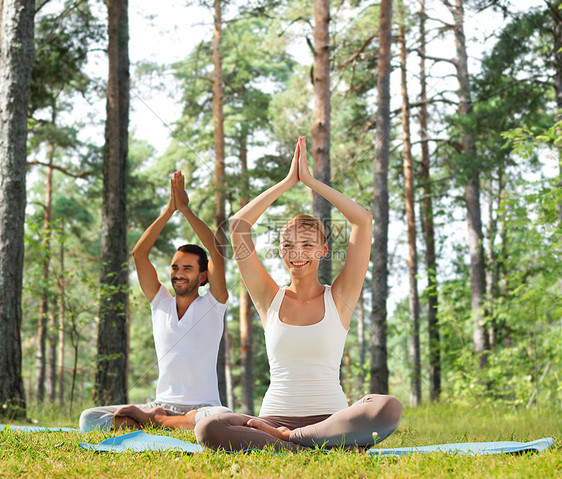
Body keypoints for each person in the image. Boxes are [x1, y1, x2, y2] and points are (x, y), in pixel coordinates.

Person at [195, 137, 402, 452]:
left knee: (387, 406)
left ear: (323, 250)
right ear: (280, 251)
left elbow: (363, 221)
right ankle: (319, 449)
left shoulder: (339, 298)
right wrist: (287, 181)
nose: (297, 254)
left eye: (307, 245)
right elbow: (238, 227)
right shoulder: (269, 298)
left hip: (330, 422)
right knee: (208, 427)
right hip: (272, 420)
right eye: (289, 245)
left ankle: (294, 443)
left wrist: (310, 181)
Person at [79, 171, 230, 431]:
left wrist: (186, 210)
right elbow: (139, 254)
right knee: (88, 418)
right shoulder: (160, 303)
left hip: (202, 407)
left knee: (221, 418)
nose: (178, 274)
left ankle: (154, 422)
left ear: (203, 275)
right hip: (161, 403)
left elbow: (216, 251)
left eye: (187, 268)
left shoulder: (213, 305)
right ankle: (162, 420)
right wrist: (169, 210)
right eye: (174, 268)